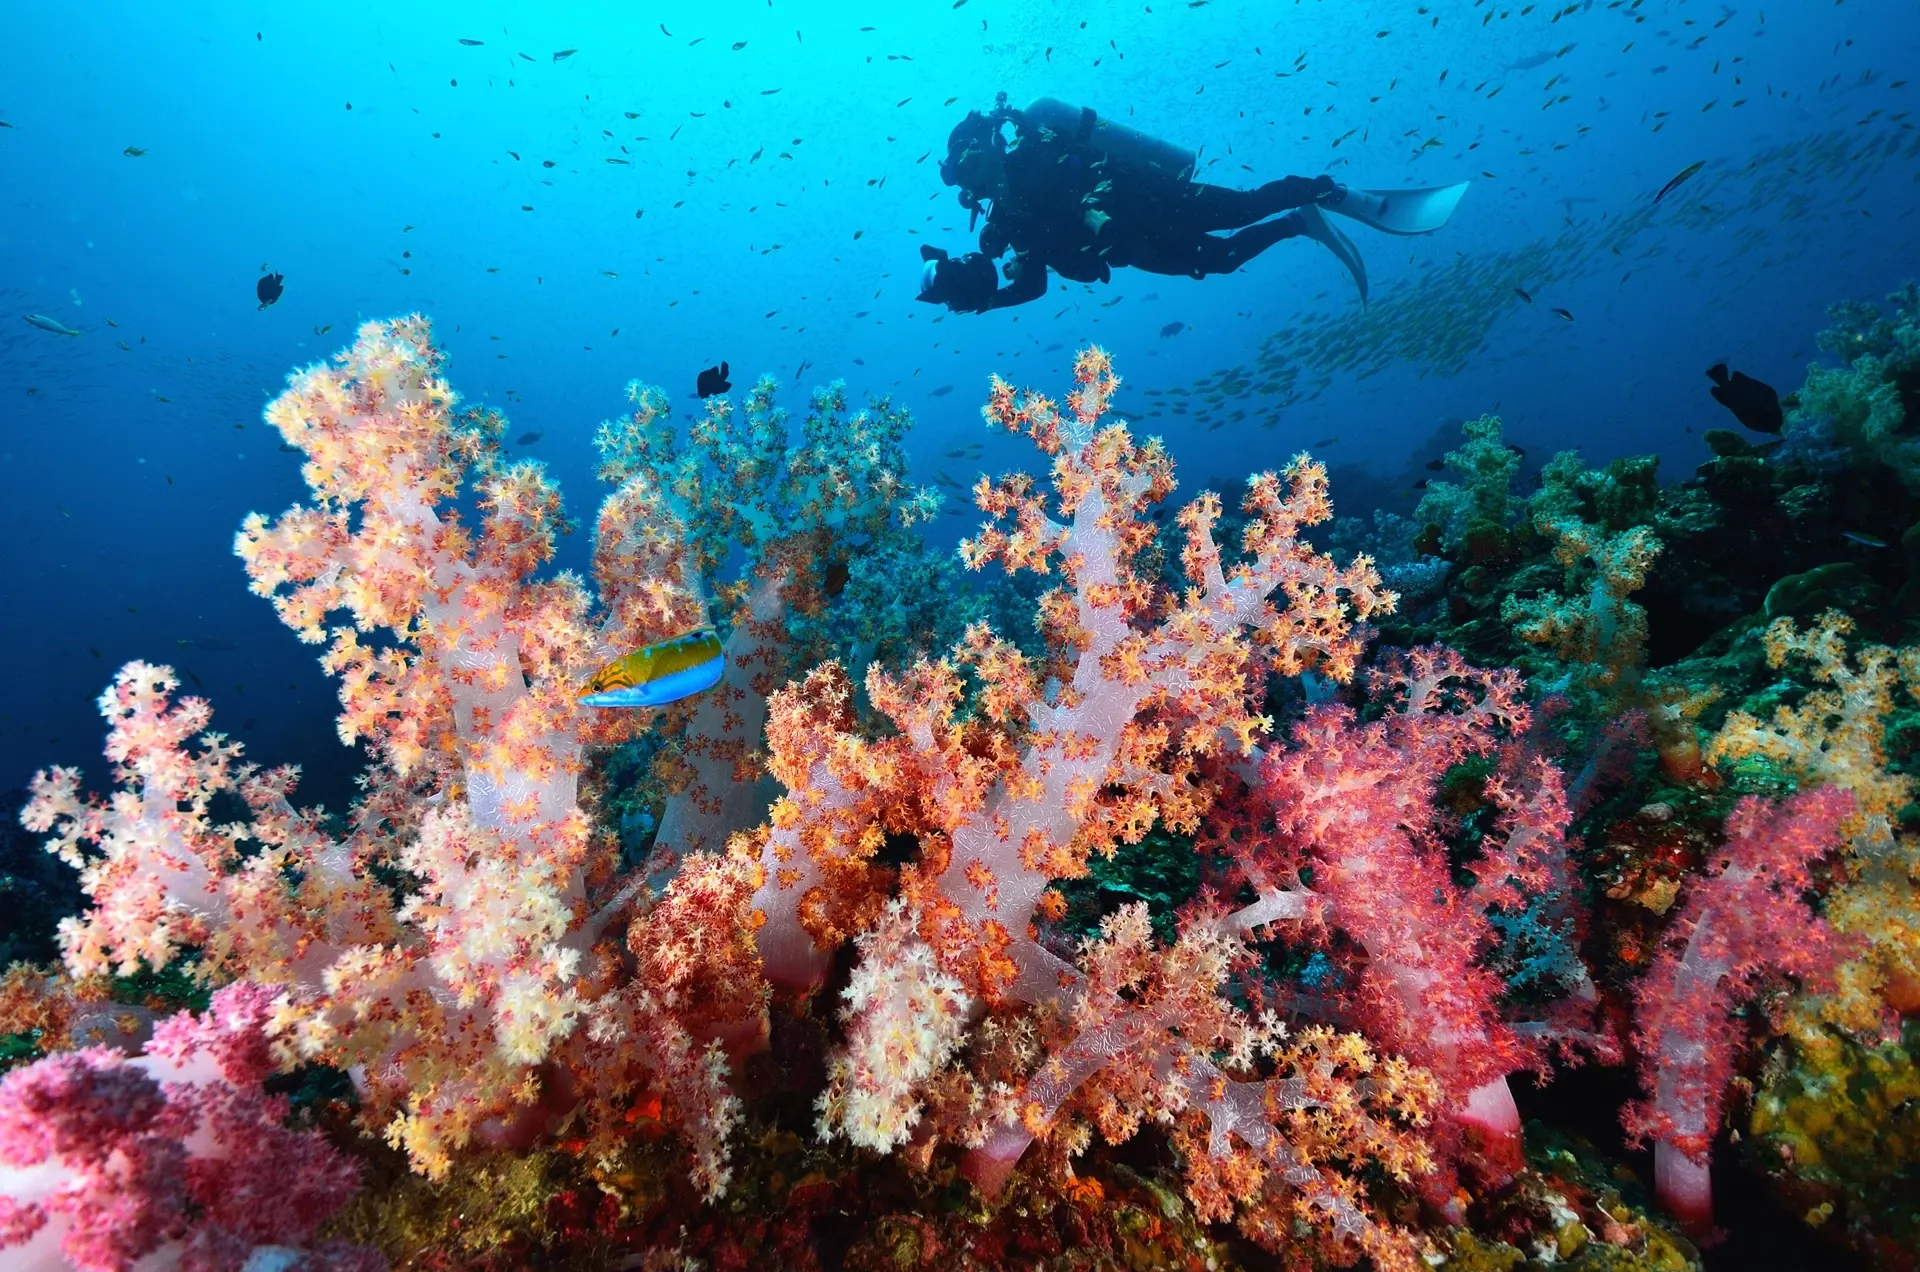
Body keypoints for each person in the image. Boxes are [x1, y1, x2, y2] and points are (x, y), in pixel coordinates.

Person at [918, 94, 1373, 313]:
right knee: (1222, 259)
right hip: (1136, 250)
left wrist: (1091, 209)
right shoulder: (1009, 221)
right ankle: (1299, 222)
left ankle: (1325, 190)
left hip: (1156, 200)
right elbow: (1035, 286)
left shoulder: (1035, 148)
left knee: (1244, 208)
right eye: (963, 178)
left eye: (970, 166)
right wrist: (991, 300)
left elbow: (1087, 173)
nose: (972, 184)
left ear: (988, 147)